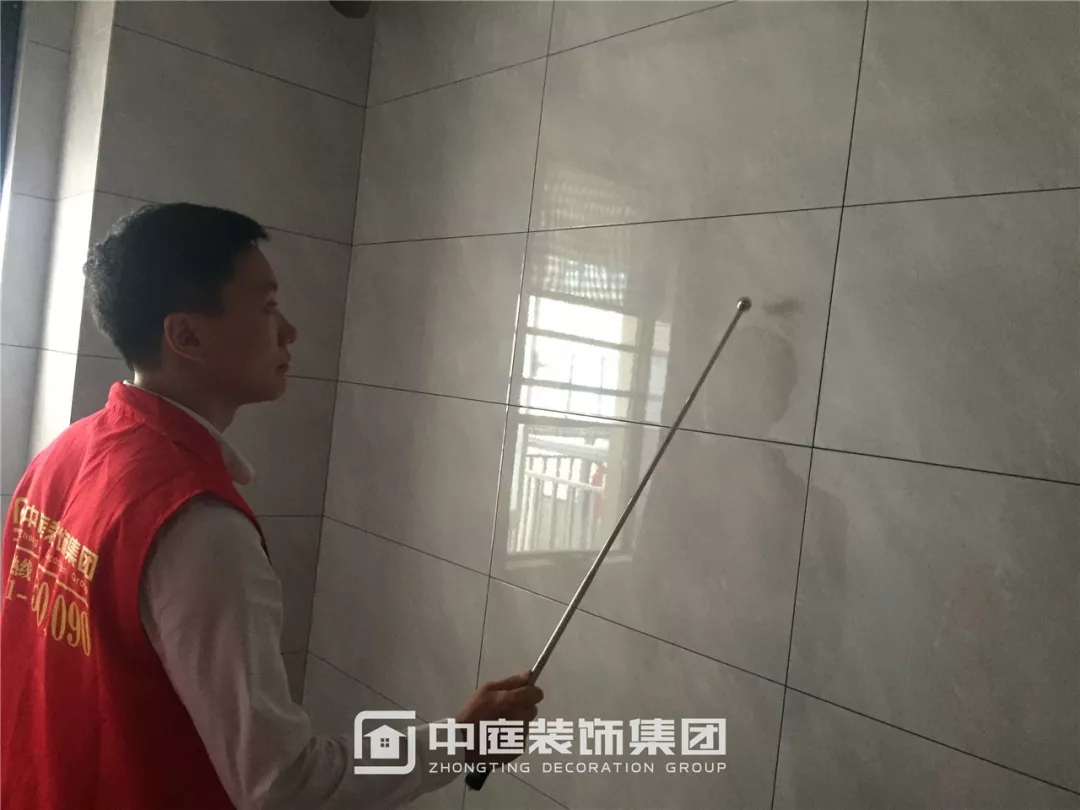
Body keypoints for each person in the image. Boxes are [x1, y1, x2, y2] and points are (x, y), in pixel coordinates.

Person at [0, 202, 543, 809]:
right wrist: (458, 743)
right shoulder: (195, 524)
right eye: (266, 307)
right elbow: (283, 785)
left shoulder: (65, 454)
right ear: (186, 335)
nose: (289, 331)